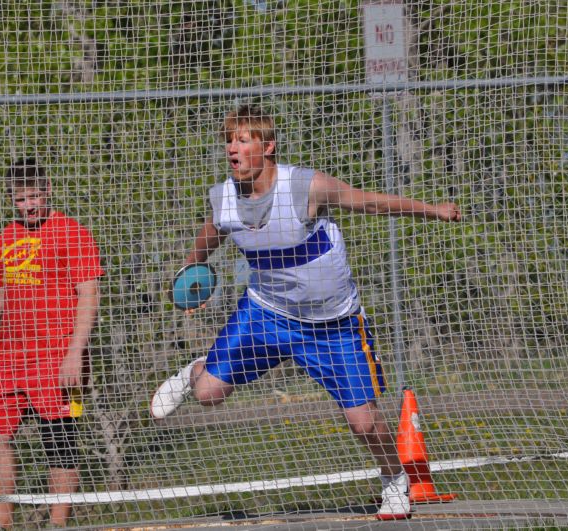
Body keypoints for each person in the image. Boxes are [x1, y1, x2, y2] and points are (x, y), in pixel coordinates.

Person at [150, 105, 461, 520]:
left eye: (243, 140)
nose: (232, 148)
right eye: (228, 140)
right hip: (267, 314)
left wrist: (432, 209)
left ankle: (394, 480)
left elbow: (370, 203)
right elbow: (211, 235)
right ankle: (193, 373)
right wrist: (192, 276)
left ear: (269, 146)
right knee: (208, 395)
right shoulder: (225, 198)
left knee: (364, 424)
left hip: (334, 325)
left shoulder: (305, 186)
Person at [0, 158, 104, 529]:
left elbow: (89, 295)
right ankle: (1, 522)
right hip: (11, 355)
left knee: (59, 438)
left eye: (34, 197)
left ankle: (58, 525)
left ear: (48, 191)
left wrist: (76, 353)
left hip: (58, 354)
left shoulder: (72, 233)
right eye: (20, 199)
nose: (28, 205)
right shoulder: (7, 236)